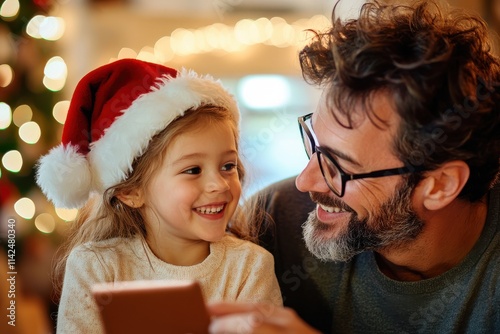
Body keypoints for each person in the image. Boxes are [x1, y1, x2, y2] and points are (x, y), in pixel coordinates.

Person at [208, 1, 500, 333]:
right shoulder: (276, 216)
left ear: (440, 185)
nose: (306, 181)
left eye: (339, 165)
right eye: (313, 144)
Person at [35, 58, 282, 333]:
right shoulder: (95, 266)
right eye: (193, 170)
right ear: (130, 191)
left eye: (228, 166)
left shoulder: (250, 266)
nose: (219, 184)